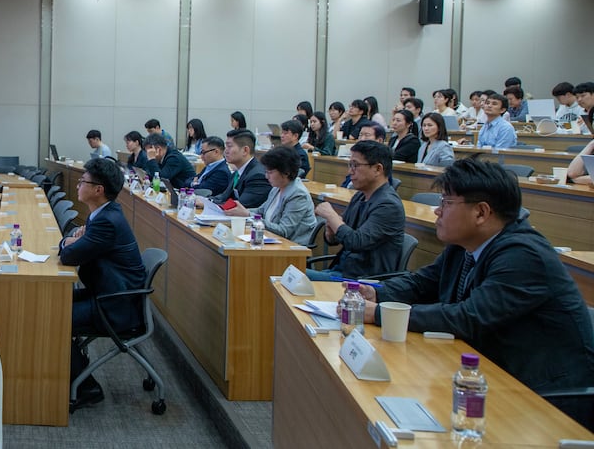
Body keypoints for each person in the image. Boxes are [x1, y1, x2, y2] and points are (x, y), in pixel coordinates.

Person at [356, 157, 594, 397]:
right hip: (489, 373)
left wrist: (379, 313)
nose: (438, 211)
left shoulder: (524, 255)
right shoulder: (465, 245)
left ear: (481, 212)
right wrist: (377, 293)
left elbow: (468, 317)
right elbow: (423, 283)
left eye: (446, 202)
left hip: (547, 393)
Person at [59, 158, 146, 410]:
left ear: (98, 190)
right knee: (52, 303)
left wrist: (68, 244)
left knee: (54, 316)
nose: (78, 185)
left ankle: (88, 388)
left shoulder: (106, 222)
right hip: (109, 292)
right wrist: (72, 242)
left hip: (115, 305)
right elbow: (74, 246)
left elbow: (68, 256)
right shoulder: (105, 214)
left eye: (83, 181)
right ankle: (74, 370)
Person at [309, 141, 405, 281]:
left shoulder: (388, 205)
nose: (350, 171)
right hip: (342, 271)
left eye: (356, 165)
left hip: (362, 280)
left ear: (378, 169)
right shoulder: (360, 196)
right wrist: (331, 231)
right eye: (350, 165)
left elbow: (356, 242)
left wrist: (331, 216)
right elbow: (339, 238)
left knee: (283, 272)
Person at [228, 146, 317, 246]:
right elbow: (261, 211)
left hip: (289, 247)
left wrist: (248, 215)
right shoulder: (276, 188)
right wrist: (240, 211)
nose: (266, 176)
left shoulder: (298, 195)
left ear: (286, 172)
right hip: (270, 240)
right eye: (266, 172)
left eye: (270, 172)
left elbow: (284, 231)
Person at [209, 129, 270, 208]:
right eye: (226, 146)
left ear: (245, 150)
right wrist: (206, 201)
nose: (225, 151)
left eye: (229, 146)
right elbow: (223, 197)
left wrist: (210, 205)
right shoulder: (237, 172)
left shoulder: (258, 176)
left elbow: (239, 205)